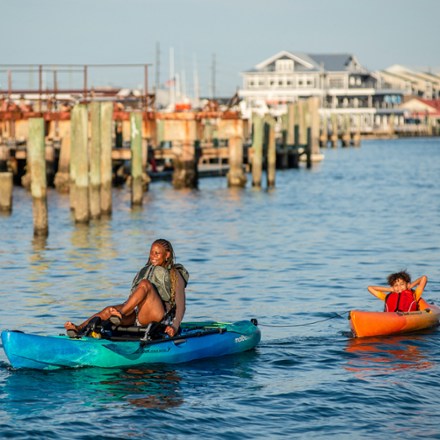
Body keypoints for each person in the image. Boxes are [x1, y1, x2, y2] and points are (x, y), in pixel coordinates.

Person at [64, 239, 189, 338]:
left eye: (157, 253)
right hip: (137, 314)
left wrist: (175, 326)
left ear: (167, 255)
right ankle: (79, 329)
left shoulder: (175, 274)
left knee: (145, 284)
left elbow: (181, 305)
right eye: (151, 252)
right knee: (109, 310)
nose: (153, 256)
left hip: (158, 316)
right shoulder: (146, 270)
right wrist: (123, 309)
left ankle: (121, 314)